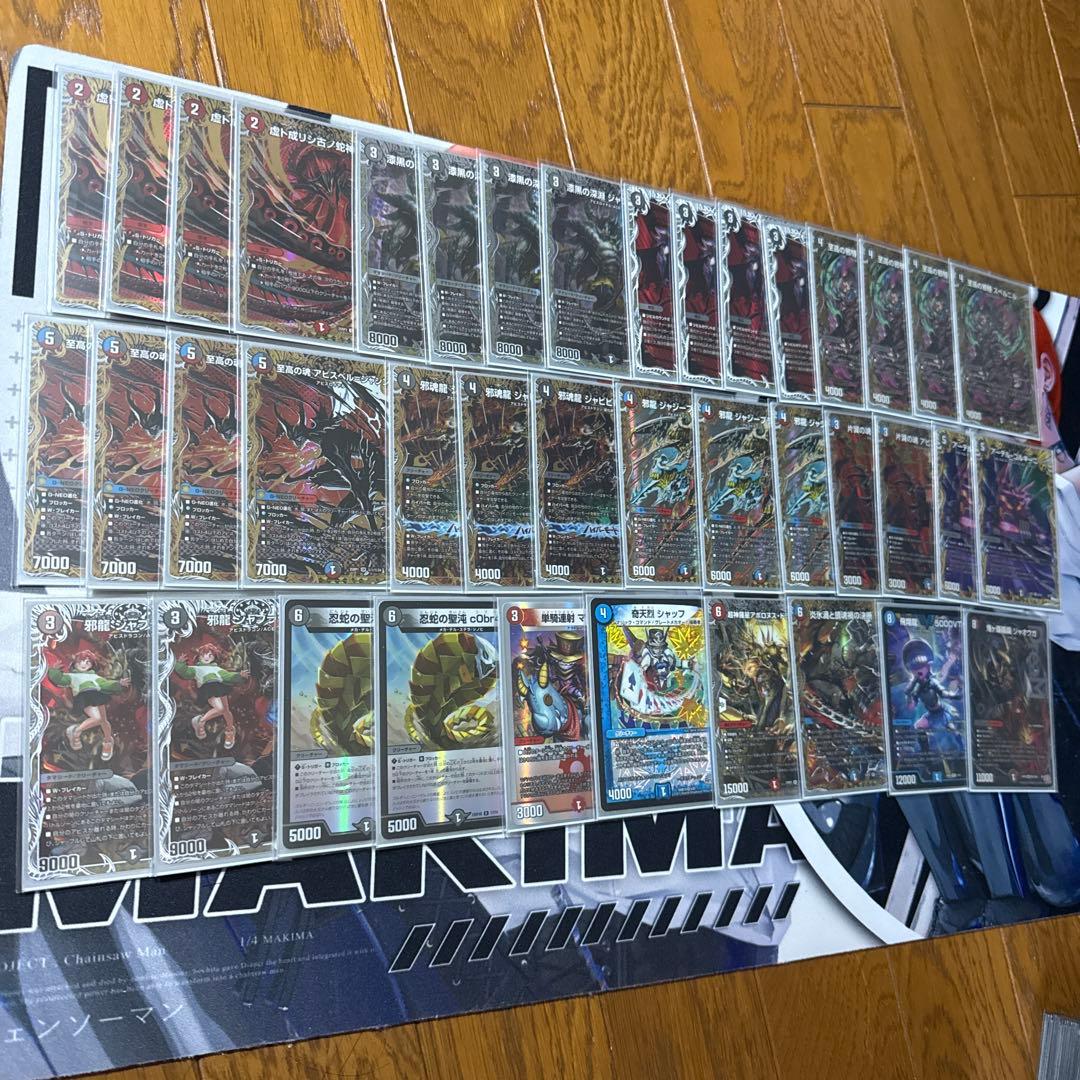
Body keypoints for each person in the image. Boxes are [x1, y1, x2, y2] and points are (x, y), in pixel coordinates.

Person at [47, 649, 129, 762]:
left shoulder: (95, 677)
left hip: (97, 695)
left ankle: (107, 742)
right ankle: (77, 730)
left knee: (104, 721)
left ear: (91, 665)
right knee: (98, 719)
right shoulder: (72, 676)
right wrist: (54, 671)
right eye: (80, 661)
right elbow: (60, 680)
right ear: (75, 663)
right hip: (84, 697)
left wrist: (118, 684)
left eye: (87, 662)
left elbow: (106, 684)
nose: (83, 664)